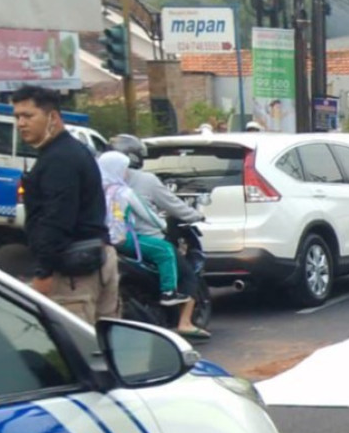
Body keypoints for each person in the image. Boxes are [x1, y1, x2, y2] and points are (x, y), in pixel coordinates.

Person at [13, 85, 119, 323]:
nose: (21, 123)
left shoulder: (60, 158)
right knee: (103, 344)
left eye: (28, 116)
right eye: (17, 117)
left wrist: (45, 271)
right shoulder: (67, 151)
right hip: (93, 258)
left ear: (53, 117)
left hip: (74, 272)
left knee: (75, 347)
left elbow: (57, 217)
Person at [111, 134, 209, 338]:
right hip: (143, 240)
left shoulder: (104, 181)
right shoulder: (144, 180)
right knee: (187, 273)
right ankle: (183, 321)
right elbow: (170, 206)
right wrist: (195, 215)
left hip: (112, 241)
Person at [97, 152, 194, 311]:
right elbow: (147, 214)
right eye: (124, 168)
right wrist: (163, 225)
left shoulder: (97, 191)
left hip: (102, 240)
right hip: (123, 239)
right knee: (165, 250)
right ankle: (169, 293)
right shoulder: (124, 192)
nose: (127, 172)